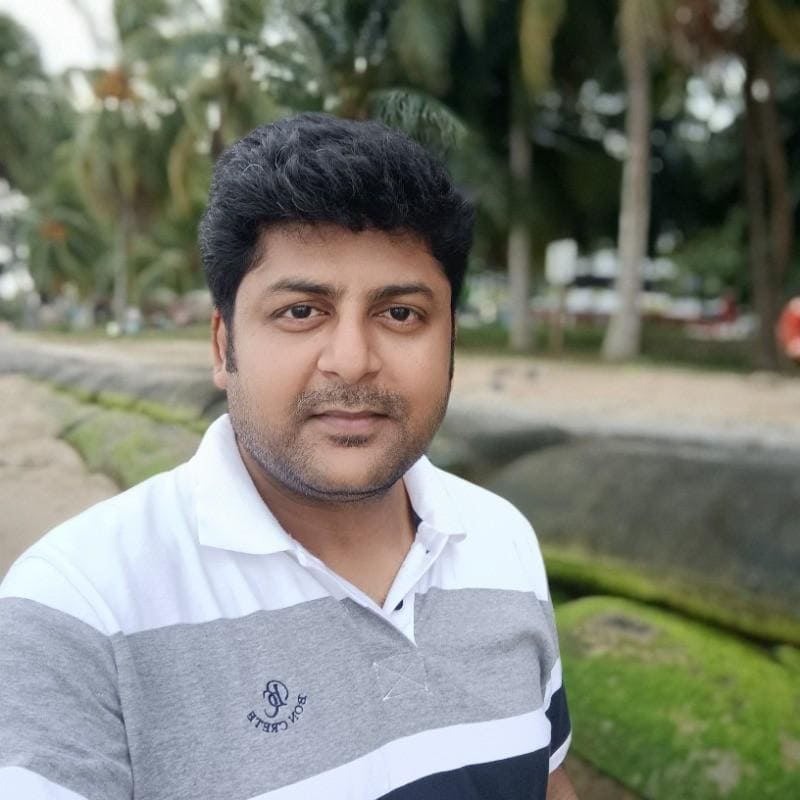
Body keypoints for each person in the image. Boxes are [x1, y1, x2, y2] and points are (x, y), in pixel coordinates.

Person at [0, 114, 576, 800]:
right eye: (302, 311)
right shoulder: (78, 608)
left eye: (400, 314)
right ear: (224, 347)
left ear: (450, 341)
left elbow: (546, 780)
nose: (352, 361)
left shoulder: (502, 539)